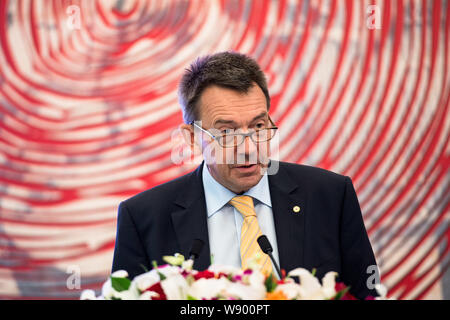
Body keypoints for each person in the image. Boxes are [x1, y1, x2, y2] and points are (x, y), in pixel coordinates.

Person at [112, 51, 379, 299]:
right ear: (192, 138)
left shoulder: (330, 196)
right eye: (226, 133)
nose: (249, 149)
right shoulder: (144, 218)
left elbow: (366, 293)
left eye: (258, 126)